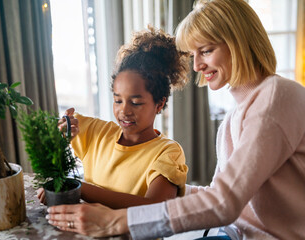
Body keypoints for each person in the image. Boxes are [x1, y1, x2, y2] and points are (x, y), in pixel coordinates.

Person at [44, 0, 305, 239]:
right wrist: (168, 188)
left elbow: (224, 204)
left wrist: (117, 221)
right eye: (194, 55)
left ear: (239, 42)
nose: (197, 66)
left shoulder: (276, 98)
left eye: (206, 51)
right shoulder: (235, 116)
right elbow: (217, 195)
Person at [38, 26, 189, 209]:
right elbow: (54, 137)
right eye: (118, 101)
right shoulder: (97, 132)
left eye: (135, 102)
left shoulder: (167, 153)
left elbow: (154, 210)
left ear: (159, 104)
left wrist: (81, 189)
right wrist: (62, 128)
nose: (124, 111)